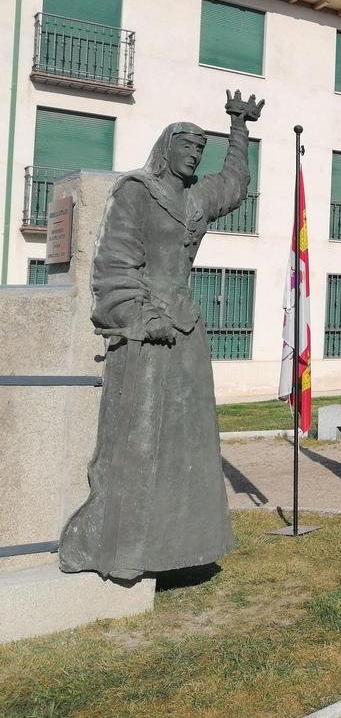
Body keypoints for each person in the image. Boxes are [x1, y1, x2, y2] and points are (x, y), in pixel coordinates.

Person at [59, 91, 261, 580]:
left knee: (188, 445)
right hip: (144, 336)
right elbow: (114, 265)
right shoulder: (136, 192)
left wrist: (238, 128)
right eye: (187, 145)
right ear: (166, 148)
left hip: (186, 330)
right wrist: (142, 316)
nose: (194, 153)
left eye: (200, 147)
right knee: (137, 443)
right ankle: (116, 551)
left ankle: (180, 548)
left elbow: (234, 184)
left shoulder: (194, 199)